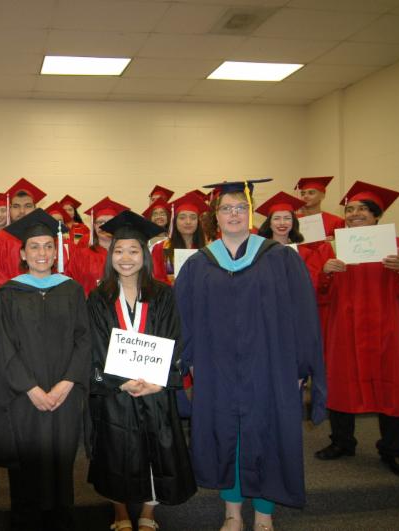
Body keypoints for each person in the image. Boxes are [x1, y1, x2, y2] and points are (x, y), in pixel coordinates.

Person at [174, 180, 326, 531]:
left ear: (251, 213)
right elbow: (183, 317)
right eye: (226, 208)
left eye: (240, 208)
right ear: (215, 216)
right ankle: (232, 512)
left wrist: (300, 365)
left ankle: (264, 514)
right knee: (228, 434)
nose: (234, 214)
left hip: (271, 364)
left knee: (268, 433)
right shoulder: (198, 263)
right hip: (217, 366)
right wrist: (188, 360)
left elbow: (303, 315)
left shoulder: (281, 258)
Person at [86, 210, 197, 531]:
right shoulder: (99, 297)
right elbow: (96, 344)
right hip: (116, 390)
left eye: (133, 251)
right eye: (119, 251)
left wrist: (159, 382)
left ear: (144, 255)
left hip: (154, 388)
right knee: (114, 449)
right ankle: (120, 512)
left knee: (156, 447)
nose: (125, 258)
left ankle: (149, 511)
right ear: (110, 255)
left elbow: (173, 338)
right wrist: (119, 382)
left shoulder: (162, 294)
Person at [314, 181, 399, 478]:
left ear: (377, 215)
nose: (354, 214)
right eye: (350, 210)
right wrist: (325, 273)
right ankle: (342, 442)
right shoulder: (331, 247)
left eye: (363, 209)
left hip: (385, 326)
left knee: (391, 385)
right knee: (341, 382)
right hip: (344, 327)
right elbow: (314, 290)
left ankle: (393, 450)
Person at [0, 209, 90, 531]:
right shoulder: (8, 293)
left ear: (56, 251)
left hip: (64, 394)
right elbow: (3, 345)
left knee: (62, 458)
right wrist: (30, 388)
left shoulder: (71, 290)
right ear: (23, 253)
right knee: (26, 461)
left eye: (48, 246)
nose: (42, 253)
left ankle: (61, 519)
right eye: (34, 247)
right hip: (24, 396)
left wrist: (68, 382)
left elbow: (84, 339)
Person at [0, 178, 46, 319]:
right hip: (7, 313)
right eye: (16, 206)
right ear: (9, 209)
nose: (22, 211)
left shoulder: (45, 240)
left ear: (35, 209)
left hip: (41, 312)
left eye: (28, 206)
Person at [255, 191, 329, 287]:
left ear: (293, 222)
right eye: (276, 218)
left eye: (287, 218)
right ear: (269, 223)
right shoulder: (259, 252)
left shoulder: (306, 254)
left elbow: (313, 283)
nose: (282, 223)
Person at [67, 197, 128, 296]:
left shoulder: (127, 255)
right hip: (87, 304)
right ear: (94, 225)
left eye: (110, 222)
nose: (105, 226)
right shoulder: (80, 255)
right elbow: (70, 285)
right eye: (100, 222)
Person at [151, 192, 209, 285]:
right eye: (182, 218)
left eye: (193, 218)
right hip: (170, 293)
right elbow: (158, 280)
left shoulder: (208, 249)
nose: (188, 222)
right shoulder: (160, 248)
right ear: (175, 221)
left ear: (198, 222)